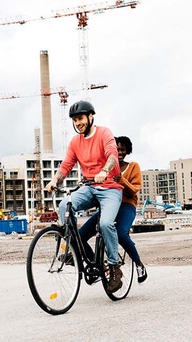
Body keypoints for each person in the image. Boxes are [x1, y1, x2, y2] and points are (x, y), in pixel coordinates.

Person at [45, 100, 125, 293]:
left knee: (106, 224)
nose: (78, 122)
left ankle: (114, 267)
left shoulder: (104, 133)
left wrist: (105, 171)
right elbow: (66, 165)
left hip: (110, 188)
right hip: (88, 187)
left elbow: (112, 156)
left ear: (90, 116)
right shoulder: (75, 142)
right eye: (74, 120)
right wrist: (55, 180)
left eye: (80, 118)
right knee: (65, 205)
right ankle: (74, 249)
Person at [77, 136, 148, 284]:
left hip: (126, 206)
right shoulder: (105, 167)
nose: (119, 152)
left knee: (121, 234)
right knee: (80, 236)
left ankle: (139, 263)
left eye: (122, 149)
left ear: (127, 150)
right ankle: (97, 265)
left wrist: (122, 180)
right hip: (108, 207)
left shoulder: (133, 166)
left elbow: (134, 190)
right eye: (116, 149)